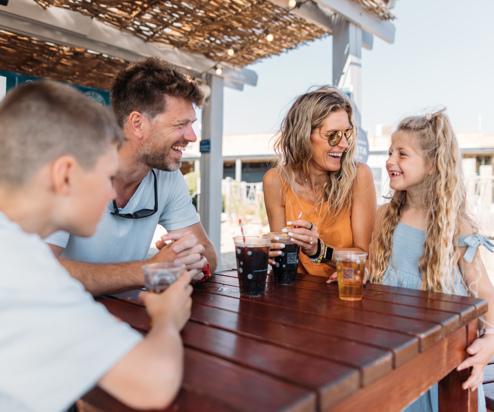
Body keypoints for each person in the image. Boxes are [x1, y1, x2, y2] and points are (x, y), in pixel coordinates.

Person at [0, 81, 192, 411]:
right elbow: (153, 383)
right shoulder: (25, 273)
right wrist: (166, 320)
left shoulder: (17, 248)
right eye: (105, 177)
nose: (109, 195)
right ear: (66, 176)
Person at [46, 57, 217, 296]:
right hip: (58, 319)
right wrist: (150, 270)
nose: (191, 137)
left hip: (127, 318)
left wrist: (192, 265)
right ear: (137, 123)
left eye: (192, 124)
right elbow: (39, 270)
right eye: (181, 124)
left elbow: (208, 253)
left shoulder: (168, 176)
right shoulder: (67, 169)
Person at [369, 109, 494, 411]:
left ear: (432, 165)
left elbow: (486, 294)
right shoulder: (385, 216)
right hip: (390, 356)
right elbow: (377, 276)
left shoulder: (456, 225)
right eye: (389, 152)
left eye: (402, 154)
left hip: (441, 360)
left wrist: (490, 341)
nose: (389, 161)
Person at [263, 86, 376, 277]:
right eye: (333, 135)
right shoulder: (275, 180)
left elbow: (366, 258)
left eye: (346, 133)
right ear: (303, 136)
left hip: (344, 294)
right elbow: (282, 257)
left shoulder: (359, 176)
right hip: (295, 297)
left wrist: (320, 251)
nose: (344, 144)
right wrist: (270, 249)